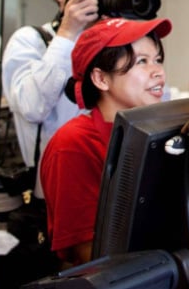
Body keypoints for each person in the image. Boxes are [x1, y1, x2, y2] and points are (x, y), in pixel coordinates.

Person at [39, 16, 171, 266]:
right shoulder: (73, 144)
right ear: (101, 79)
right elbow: (88, 253)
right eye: (142, 61)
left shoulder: (162, 130)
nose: (158, 72)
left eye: (158, 60)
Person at [2, 0, 119, 198]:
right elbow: (32, 108)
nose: (98, 2)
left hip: (104, 184)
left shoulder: (107, 44)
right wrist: (67, 34)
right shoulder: (30, 41)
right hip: (53, 190)